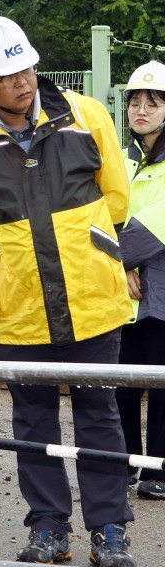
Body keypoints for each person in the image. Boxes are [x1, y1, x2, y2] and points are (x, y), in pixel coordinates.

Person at [0, 15, 136, 567]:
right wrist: (15, 260)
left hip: (92, 296)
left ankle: (109, 530)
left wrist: (90, 246)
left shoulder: (85, 115)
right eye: (6, 76)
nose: (22, 82)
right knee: (32, 419)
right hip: (23, 303)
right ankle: (49, 527)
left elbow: (117, 197)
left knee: (99, 413)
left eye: (25, 67)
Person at [117, 60, 165, 502]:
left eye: (153, 102)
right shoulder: (121, 158)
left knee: (162, 384)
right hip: (123, 290)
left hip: (160, 293)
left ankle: (160, 469)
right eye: (135, 101)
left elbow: (155, 225)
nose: (142, 109)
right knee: (123, 382)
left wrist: (120, 255)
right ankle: (128, 462)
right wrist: (122, 264)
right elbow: (105, 213)